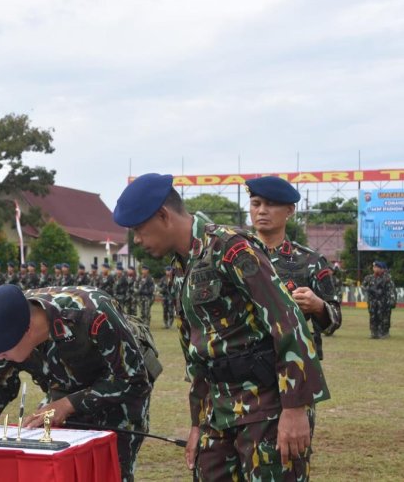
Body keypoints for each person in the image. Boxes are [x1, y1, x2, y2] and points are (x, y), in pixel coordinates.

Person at [114, 173, 329, 482]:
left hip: (267, 406)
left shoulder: (230, 247)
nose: (136, 239)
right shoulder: (182, 266)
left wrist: (295, 409)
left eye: (138, 229)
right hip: (218, 411)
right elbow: (198, 353)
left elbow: (287, 321)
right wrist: (197, 423)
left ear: (163, 215)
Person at [0, 284, 153, 482]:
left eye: (2, 351)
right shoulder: (6, 323)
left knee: (109, 470)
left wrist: (66, 405)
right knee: (53, 468)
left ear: (27, 330)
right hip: (63, 389)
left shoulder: (93, 312)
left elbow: (134, 380)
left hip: (118, 393)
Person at [246, 176, 342, 359]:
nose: (262, 211)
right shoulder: (233, 256)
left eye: (271, 204)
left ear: (289, 210)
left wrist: (318, 307)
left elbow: (334, 322)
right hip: (244, 364)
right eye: (256, 204)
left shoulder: (311, 261)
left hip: (293, 362)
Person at [362, 261, 397, 339]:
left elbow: (391, 290)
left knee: (382, 317)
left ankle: (383, 332)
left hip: (383, 301)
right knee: (373, 317)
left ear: (381, 269)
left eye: (377, 267)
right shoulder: (369, 278)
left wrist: (392, 300)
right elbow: (363, 286)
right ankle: (373, 333)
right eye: (374, 267)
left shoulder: (386, 278)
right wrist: (369, 289)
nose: (375, 269)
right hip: (372, 302)